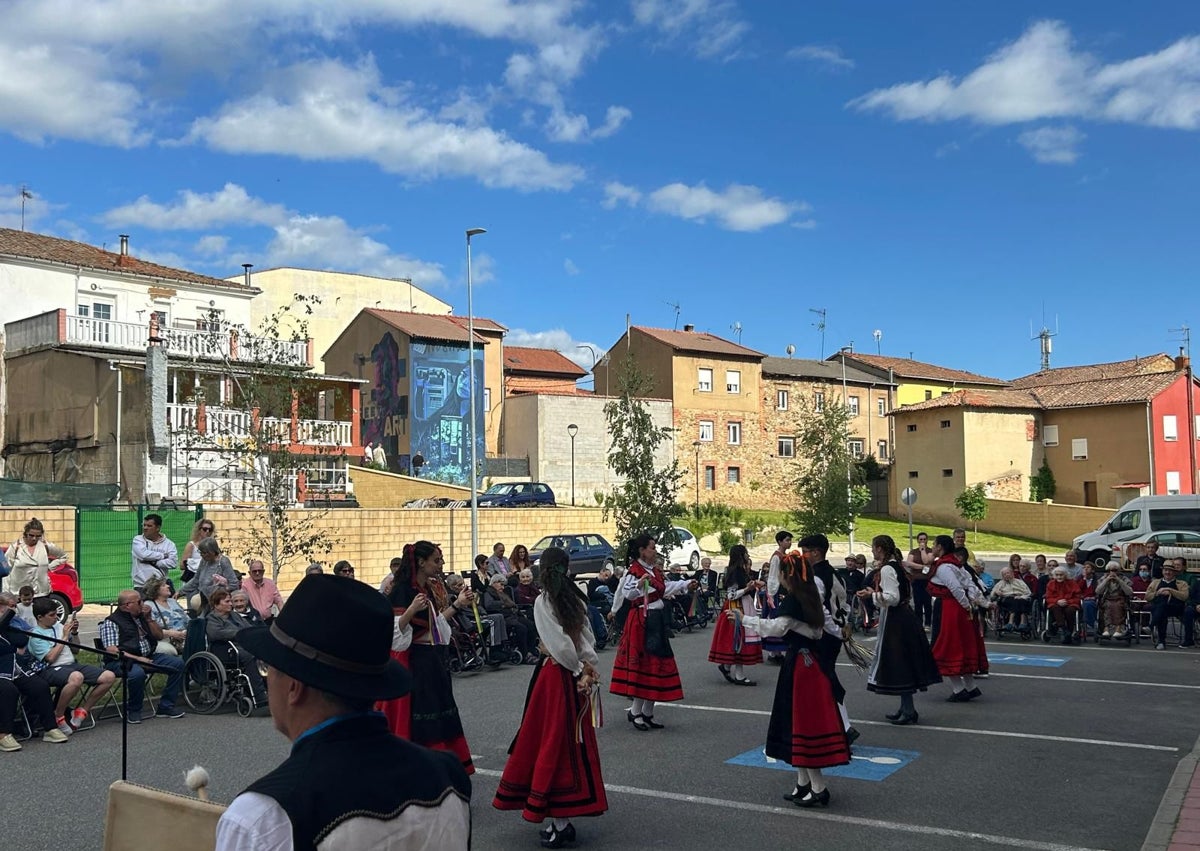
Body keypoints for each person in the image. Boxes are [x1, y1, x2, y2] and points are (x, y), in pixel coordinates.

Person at [215, 574, 472, 850]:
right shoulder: (447, 775)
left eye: (268, 669)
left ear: (294, 686)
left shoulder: (264, 816)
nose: (267, 680)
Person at [493, 547, 608, 847]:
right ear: (567, 568)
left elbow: (557, 644)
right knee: (568, 741)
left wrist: (578, 667)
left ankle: (560, 822)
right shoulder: (575, 596)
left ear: (544, 570)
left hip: (556, 677)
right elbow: (585, 639)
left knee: (551, 743)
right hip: (573, 677)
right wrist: (587, 667)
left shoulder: (545, 601)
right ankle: (563, 818)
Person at [737, 551, 850, 808]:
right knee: (794, 722)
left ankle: (819, 787)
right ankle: (802, 782)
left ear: (787, 574)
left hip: (802, 666)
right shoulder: (811, 594)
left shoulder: (794, 599)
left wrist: (745, 620)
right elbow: (823, 628)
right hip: (809, 662)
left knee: (801, 724)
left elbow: (778, 628)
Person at [378, 540, 475, 774]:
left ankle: (444, 767)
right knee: (422, 717)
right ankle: (423, 769)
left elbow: (436, 625)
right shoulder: (402, 590)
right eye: (436, 560)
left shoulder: (428, 588)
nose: (440, 565)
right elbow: (393, 634)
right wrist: (410, 610)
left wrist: (459, 604)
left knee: (442, 714)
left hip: (433, 659)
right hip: (415, 662)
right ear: (421, 562)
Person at [609, 533, 697, 731]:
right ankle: (635, 711)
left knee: (656, 665)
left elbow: (664, 589)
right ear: (642, 550)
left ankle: (647, 712)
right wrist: (637, 587)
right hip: (641, 621)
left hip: (655, 621)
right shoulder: (634, 571)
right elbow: (627, 593)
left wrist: (685, 584)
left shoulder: (654, 571)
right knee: (645, 665)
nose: (654, 550)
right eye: (651, 547)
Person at [861, 535, 941, 725]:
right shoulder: (898, 566)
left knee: (900, 664)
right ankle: (906, 707)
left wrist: (872, 595)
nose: (872, 551)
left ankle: (908, 709)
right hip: (903, 617)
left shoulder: (889, 568)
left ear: (880, 549)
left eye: (873, 547)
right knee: (904, 663)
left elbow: (893, 597)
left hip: (897, 620)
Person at [797, 534, 855, 741]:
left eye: (805, 551)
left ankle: (844, 727)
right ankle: (837, 725)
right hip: (835, 633)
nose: (802, 556)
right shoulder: (835, 573)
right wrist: (846, 623)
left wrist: (838, 630)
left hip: (825, 635)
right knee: (824, 677)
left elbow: (821, 612)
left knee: (825, 679)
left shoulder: (816, 577)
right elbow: (845, 601)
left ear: (816, 552)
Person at [29, 599, 117, 731]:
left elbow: (76, 650)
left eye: (57, 614)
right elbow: (50, 658)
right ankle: (58, 715)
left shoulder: (59, 626)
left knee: (108, 676)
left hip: (71, 665)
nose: (56, 618)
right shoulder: (35, 635)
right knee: (76, 677)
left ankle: (82, 711)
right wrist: (64, 637)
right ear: (40, 617)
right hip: (49, 669)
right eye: (52, 615)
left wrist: (74, 633)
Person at [99, 590, 186, 723]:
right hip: (122, 661)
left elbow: (158, 636)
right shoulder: (111, 622)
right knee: (137, 673)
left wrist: (149, 619)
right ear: (127, 605)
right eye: (139, 602)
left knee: (178, 664)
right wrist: (138, 659)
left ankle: (166, 706)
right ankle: (133, 710)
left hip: (148, 655)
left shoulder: (142, 617)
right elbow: (112, 651)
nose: (143, 604)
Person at [0, 592, 67, 746]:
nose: (9, 613)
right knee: (8, 690)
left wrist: (10, 645)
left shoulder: (9, 626)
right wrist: (11, 648)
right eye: (5, 610)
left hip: (14, 666)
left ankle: (50, 728)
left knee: (40, 685)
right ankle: (3, 734)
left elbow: (21, 639)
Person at [926, 535, 981, 702]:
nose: (932, 548)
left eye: (934, 545)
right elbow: (970, 583)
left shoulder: (944, 567)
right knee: (961, 645)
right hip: (956, 608)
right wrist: (970, 602)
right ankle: (970, 686)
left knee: (948, 646)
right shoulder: (954, 564)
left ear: (940, 547)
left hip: (949, 608)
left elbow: (956, 588)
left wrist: (965, 604)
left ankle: (959, 689)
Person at [707, 544, 763, 685]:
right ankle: (739, 675)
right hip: (736, 609)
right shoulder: (735, 572)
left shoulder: (740, 570)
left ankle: (727, 667)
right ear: (741, 555)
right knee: (739, 639)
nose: (748, 555)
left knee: (739, 640)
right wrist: (747, 588)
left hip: (743, 607)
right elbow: (731, 595)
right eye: (745, 553)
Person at [206, 589, 269, 710]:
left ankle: (270, 691)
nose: (231, 604)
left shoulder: (235, 615)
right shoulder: (212, 618)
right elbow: (216, 634)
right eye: (227, 601)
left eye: (230, 601)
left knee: (266, 653)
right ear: (216, 605)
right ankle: (259, 696)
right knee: (250, 657)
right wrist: (239, 633)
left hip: (241, 646)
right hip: (225, 650)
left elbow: (248, 628)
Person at [4, 518, 68, 596]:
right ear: (26, 533)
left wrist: (49, 567)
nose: (34, 538)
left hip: (41, 593)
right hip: (18, 594)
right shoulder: (16, 547)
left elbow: (63, 556)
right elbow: (6, 571)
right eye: (31, 535)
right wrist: (5, 594)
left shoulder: (45, 546)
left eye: (38, 536)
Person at [483, 575, 538, 662]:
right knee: (521, 628)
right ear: (494, 583)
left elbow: (513, 605)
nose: (502, 587)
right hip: (503, 617)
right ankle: (525, 654)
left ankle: (531, 649)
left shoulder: (503, 593)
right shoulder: (488, 593)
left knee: (531, 625)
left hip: (512, 615)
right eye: (501, 584)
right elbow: (489, 605)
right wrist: (504, 604)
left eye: (503, 585)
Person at [178, 536, 240, 609]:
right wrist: (180, 592)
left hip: (218, 603)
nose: (201, 555)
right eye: (200, 552)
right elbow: (196, 580)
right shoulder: (204, 561)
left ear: (212, 552)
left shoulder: (223, 562)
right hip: (204, 600)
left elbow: (234, 584)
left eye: (204, 553)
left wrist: (219, 592)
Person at [131, 513, 178, 591]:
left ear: (158, 528)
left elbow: (173, 563)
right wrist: (163, 556)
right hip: (142, 586)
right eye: (144, 525)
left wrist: (156, 563)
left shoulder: (169, 544)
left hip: (161, 586)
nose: (145, 528)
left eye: (149, 526)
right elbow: (143, 555)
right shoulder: (138, 540)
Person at [1147, 561, 1189, 650]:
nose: (1167, 572)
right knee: (1162, 610)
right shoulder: (1155, 582)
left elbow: (1184, 596)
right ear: (1162, 571)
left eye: (1170, 571)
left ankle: (1152, 627)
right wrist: (1158, 593)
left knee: (1161, 608)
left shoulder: (1182, 583)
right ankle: (1161, 641)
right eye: (1166, 570)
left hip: (1175, 607)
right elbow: (1147, 596)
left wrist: (1169, 590)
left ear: (1174, 572)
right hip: (1159, 608)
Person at [143, 576, 189, 655]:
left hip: (184, 635)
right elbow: (151, 629)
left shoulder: (172, 601)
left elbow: (186, 619)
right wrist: (172, 633)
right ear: (155, 590)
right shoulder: (149, 605)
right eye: (164, 585)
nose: (168, 586)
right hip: (166, 639)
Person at [1044, 566, 1082, 644]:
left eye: (1061, 575)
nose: (1059, 577)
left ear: (1065, 575)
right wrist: (1057, 601)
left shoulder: (1072, 583)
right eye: (1057, 575)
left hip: (1070, 603)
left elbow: (1077, 597)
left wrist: (1067, 601)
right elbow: (1048, 597)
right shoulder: (1051, 583)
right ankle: (1064, 629)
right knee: (1055, 608)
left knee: (1070, 610)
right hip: (1056, 603)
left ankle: (1069, 630)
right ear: (1054, 576)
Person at [1096, 563, 1134, 638]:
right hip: (1107, 599)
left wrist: (1119, 580)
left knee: (1118, 605)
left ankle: (1118, 628)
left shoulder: (1124, 579)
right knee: (1107, 605)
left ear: (1118, 571)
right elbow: (1098, 591)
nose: (1113, 572)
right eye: (1111, 570)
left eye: (1115, 570)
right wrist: (1107, 580)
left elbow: (1129, 592)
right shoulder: (1103, 578)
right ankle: (1106, 628)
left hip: (1120, 598)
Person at [989, 566, 1032, 632]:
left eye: (1008, 573)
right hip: (1007, 598)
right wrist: (996, 592)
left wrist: (1021, 597)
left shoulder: (1020, 582)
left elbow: (1028, 593)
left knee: (1020, 601)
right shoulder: (1000, 584)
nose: (1007, 575)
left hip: (1021, 597)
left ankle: (1019, 622)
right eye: (1004, 574)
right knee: (1014, 601)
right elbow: (992, 595)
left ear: (1012, 573)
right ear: (1002, 576)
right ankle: (1014, 622)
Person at [180, 518, 216, 584]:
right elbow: (182, 565)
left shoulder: (213, 546)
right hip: (192, 580)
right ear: (199, 530)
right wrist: (195, 564)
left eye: (210, 530)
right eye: (205, 529)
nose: (207, 531)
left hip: (207, 580)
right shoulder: (191, 545)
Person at [1179, 559, 1200, 648]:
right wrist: (1196, 605)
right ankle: (1189, 640)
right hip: (1196, 606)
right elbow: (1190, 596)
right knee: (1188, 611)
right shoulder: (1198, 583)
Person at [1078, 561, 1099, 632]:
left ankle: (1091, 624)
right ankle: (1086, 624)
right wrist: (1084, 579)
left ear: (1092, 570)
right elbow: (1077, 590)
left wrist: (1094, 597)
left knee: (1089, 604)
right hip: (1081, 599)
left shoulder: (1097, 580)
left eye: (1088, 567)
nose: (1086, 569)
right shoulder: (1079, 579)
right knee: (1085, 603)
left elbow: (1099, 591)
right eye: (1084, 567)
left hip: (1093, 599)